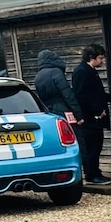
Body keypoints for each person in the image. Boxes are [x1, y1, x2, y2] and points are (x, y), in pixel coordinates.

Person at [32, 50, 97, 181]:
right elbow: (68, 95)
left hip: (50, 114)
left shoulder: (38, 77)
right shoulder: (56, 72)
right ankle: (87, 173)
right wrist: (79, 115)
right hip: (64, 111)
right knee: (78, 142)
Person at [71, 44, 111, 186]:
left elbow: (95, 92)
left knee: (96, 146)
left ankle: (96, 173)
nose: (102, 61)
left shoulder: (89, 71)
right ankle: (92, 175)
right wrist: (97, 110)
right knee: (92, 147)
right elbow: (81, 95)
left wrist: (110, 97)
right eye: (100, 58)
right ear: (92, 57)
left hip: (95, 117)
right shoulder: (82, 72)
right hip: (90, 118)